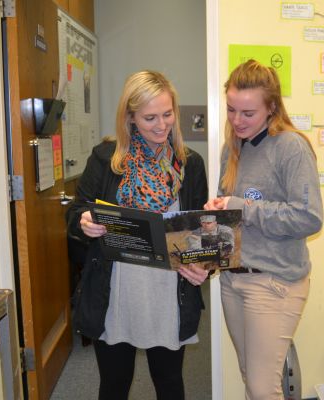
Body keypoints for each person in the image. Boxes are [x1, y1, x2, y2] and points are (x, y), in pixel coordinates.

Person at [66, 70, 208, 400]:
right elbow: (74, 213)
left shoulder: (190, 165)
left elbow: (200, 230)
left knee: (170, 384)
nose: (161, 126)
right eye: (149, 118)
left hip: (169, 294)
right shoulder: (105, 160)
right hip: (116, 293)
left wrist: (204, 264)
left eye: (168, 114)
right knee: (114, 386)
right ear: (130, 118)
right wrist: (84, 221)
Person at [204, 59, 323, 399]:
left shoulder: (291, 147)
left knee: (261, 387)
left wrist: (241, 207)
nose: (237, 121)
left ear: (271, 107)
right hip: (233, 279)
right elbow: (228, 216)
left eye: (248, 113)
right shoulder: (233, 148)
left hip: (274, 282)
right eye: (231, 110)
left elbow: (309, 217)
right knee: (251, 378)